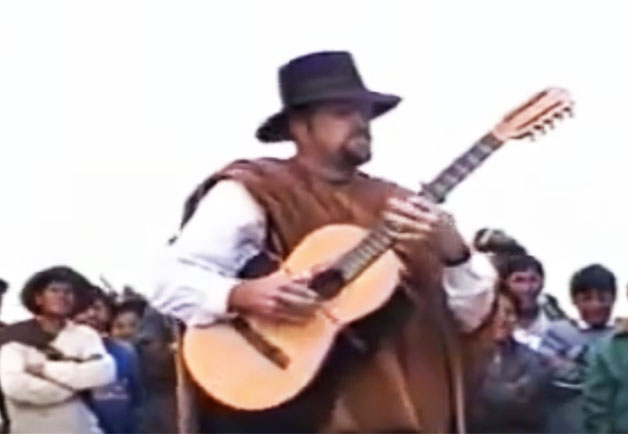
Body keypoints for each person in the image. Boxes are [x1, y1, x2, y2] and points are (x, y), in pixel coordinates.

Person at [151, 51, 498, 433]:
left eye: (364, 113)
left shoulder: (399, 204)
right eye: (342, 112)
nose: (361, 123)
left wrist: (455, 253)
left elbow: (469, 318)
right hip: (301, 415)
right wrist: (244, 294)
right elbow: (170, 280)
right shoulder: (259, 189)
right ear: (301, 126)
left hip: (405, 413)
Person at [0, 266, 115, 434]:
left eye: (68, 292)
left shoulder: (86, 335)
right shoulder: (11, 336)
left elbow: (103, 372)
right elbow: (15, 386)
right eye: (54, 290)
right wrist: (76, 383)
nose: (62, 296)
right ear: (38, 298)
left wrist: (46, 370)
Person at [467, 290, 551, 433]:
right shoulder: (464, 358)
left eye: (509, 313)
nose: (502, 319)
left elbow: (522, 401)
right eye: (495, 312)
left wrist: (482, 394)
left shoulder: (530, 358)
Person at [74, 286, 143, 433]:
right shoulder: (60, 354)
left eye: (97, 308)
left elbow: (136, 401)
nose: (91, 314)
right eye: (83, 309)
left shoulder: (125, 353)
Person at [497, 254, 567, 349]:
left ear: (542, 283)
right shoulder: (495, 322)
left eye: (533, 280)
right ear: (505, 284)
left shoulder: (554, 316)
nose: (527, 288)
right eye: (519, 280)